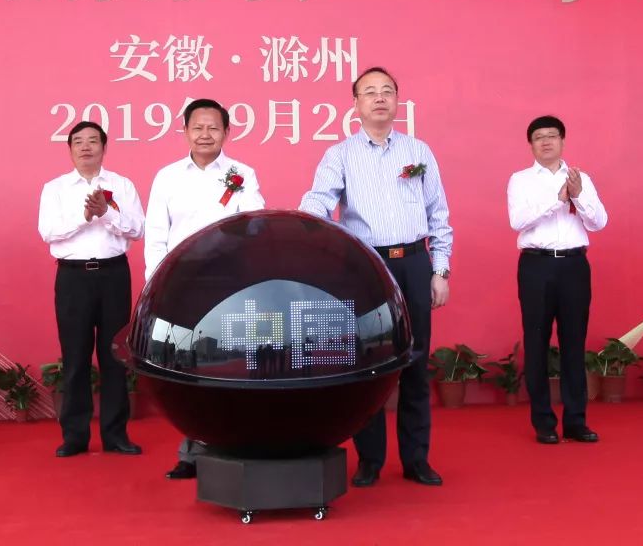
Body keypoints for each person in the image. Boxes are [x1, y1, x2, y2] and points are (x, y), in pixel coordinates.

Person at [299, 66, 452, 488]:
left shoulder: (418, 150)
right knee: (369, 364)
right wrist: (303, 226)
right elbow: (319, 200)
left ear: (397, 101)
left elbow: (439, 215)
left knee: (415, 363)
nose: (380, 98)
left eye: (387, 91)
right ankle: (370, 460)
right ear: (356, 104)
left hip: (414, 263)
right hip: (366, 268)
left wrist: (440, 270)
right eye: (370, 92)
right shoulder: (340, 155)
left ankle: (416, 460)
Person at [148, 99, 265, 479]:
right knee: (189, 365)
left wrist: (243, 203)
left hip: (231, 281)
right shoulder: (167, 177)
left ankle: (241, 443)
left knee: (235, 363)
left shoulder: (242, 173)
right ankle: (193, 452)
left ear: (227, 132)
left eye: (213, 127)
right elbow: (156, 236)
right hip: (182, 281)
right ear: (184, 131)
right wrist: (155, 284)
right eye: (197, 127)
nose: (205, 134)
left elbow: (256, 225)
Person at [38, 121, 145, 457]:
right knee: (75, 356)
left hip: (114, 275)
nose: (86, 147)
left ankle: (115, 435)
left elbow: (137, 229)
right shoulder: (55, 188)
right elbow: (48, 231)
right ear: (70, 149)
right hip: (73, 278)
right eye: (79, 142)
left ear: (104, 147)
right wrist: (85, 215)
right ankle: (75, 436)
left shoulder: (122, 185)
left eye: (93, 141)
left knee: (114, 356)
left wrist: (106, 214)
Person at [507, 115, 607, 445]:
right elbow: (518, 220)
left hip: (575, 265)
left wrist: (578, 196)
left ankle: (576, 421)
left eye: (552, 135)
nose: (546, 141)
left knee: (574, 343)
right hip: (536, 265)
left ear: (563, 141)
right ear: (531, 145)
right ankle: (544, 422)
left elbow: (599, 222)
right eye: (539, 137)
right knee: (536, 342)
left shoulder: (581, 178)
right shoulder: (520, 180)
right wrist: (558, 200)